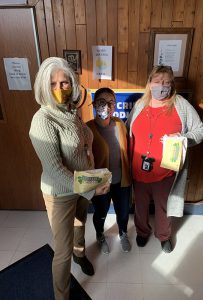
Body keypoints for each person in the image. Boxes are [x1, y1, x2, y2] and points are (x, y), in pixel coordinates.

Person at [29, 57, 109, 300]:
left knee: (80, 224)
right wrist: (91, 189)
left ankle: (81, 254)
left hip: (82, 186)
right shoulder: (42, 120)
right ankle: (61, 296)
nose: (59, 89)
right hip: (60, 193)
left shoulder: (71, 112)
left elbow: (82, 147)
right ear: (43, 86)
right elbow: (55, 169)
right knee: (62, 252)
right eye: (52, 83)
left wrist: (93, 179)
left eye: (65, 83)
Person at [126, 65, 203, 253]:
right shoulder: (140, 105)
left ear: (172, 85)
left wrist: (183, 138)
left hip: (166, 172)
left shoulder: (180, 104)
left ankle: (164, 235)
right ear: (149, 83)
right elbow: (128, 130)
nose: (162, 86)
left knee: (164, 207)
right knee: (140, 205)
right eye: (157, 81)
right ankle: (142, 232)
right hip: (139, 170)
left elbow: (200, 131)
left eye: (167, 82)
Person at [86, 88, 131, 254]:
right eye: (102, 101)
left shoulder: (120, 124)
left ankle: (123, 233)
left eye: (111, 102)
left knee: (123, 211)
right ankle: (100, 235)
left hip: (121, 179)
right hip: (101, 184)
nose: (107, 106)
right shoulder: (87, 128)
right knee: (101, 212)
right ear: (94, 104)